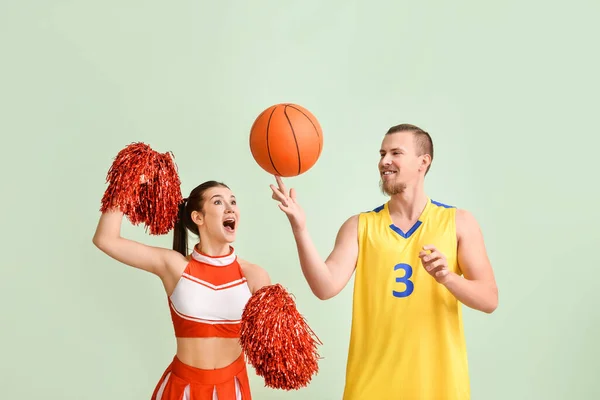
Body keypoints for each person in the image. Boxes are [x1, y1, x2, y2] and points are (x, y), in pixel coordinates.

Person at [269, 123, 498, 400]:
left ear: (422, 162)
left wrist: (447, 278)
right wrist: (300, 229)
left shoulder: (458, 222)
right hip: (371, 386)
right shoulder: (359, 225)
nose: (384, 161)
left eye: (395, 153)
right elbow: (324, 287)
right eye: (381, 153)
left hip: (439, 386)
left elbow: (489, 299)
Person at [93, 180, 271, 400]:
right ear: (198, 217)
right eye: (218, 201)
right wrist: (127, 179)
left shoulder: (255, 276)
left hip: (232, 390)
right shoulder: (175, 267)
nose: (230, 207)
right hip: (181, 390)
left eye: (233, 201)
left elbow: (274, 348)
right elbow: (105, 239)